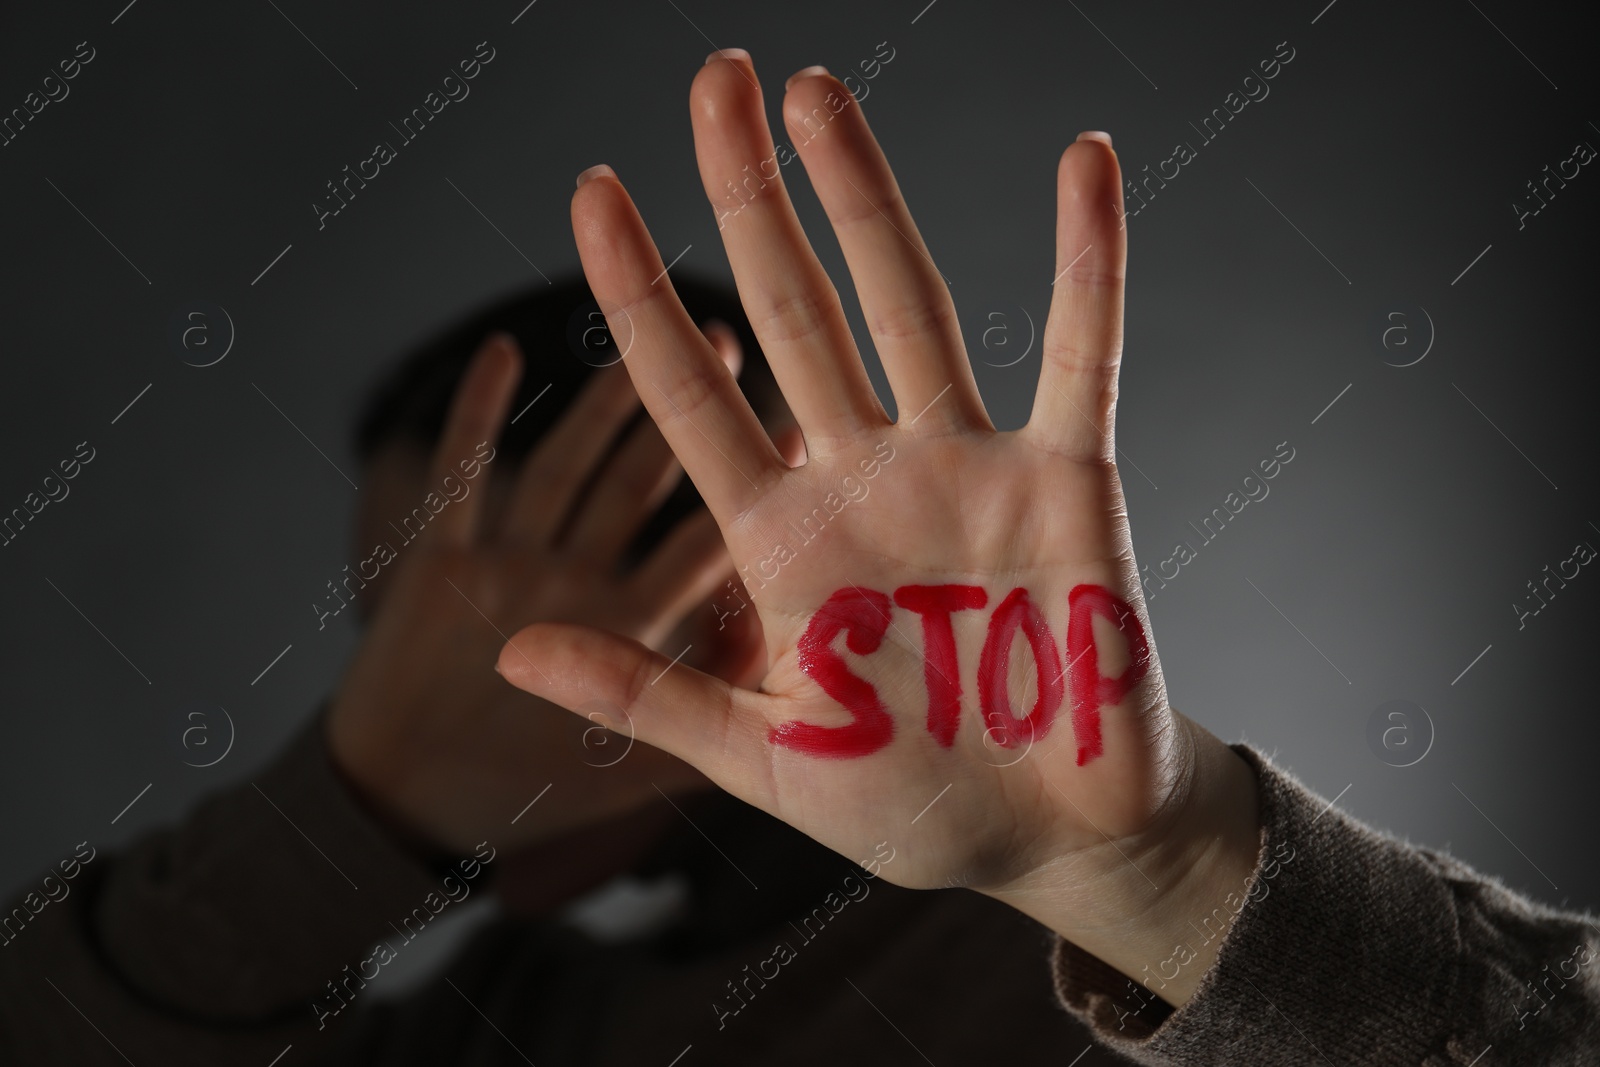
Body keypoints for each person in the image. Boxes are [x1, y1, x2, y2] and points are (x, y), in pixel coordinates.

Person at [3, 47, 1596, 1066]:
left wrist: (1151, 876)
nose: (423, 692)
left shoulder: (1093, 996)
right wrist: (348, 812)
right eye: (393, 631)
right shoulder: (516, 1030)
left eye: (482, 612)